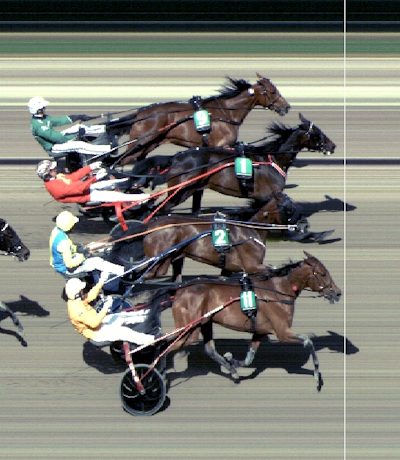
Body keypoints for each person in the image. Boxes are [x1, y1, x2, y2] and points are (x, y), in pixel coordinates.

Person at [65, 273, 155, 346]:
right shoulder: (77, 311)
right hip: (96, 333)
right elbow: (94, 323)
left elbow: (90, 296)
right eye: (81, 290)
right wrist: (105, 308)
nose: (83, 291)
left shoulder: (76, 300)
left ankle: (145, 316)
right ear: (77, 293)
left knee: (120, 316)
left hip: (100, 323)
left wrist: (101, 281)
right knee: (123, 332)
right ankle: (149, 340)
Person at [28, 96, 112, 159]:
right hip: (54, 147)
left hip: (58, 140)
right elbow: (58, 138)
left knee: (79, 127)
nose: (45, 108)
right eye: (43, 107)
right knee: (79, 145)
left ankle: (106, 128)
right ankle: (109, 149)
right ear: (38, 109)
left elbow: (59, 121)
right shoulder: (38, 126)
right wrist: (75, 136)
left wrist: (78, 117)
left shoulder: (44, 118)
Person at [49, 210, 125, 277]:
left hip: (62, 262)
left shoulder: (56, 231)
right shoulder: (63, 243)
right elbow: (69, 264)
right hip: (68, 270)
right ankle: (123, 271)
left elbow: (68, 248)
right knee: (96, 261)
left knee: (93, 244)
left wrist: (77, 249)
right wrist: (83, 256)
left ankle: (111, 246)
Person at [36, 160, 150, 204]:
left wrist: (90, 167)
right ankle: (144, 198)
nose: (55, 170)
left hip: (87, 188)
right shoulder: (55, 188)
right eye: (52, 170)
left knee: (110, 183)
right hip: (87, 196)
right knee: (116, 196)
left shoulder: (57, 177)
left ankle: (132, 181)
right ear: (47, 174)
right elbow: (79, 189)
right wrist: (95, 178)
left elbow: (74, 177)